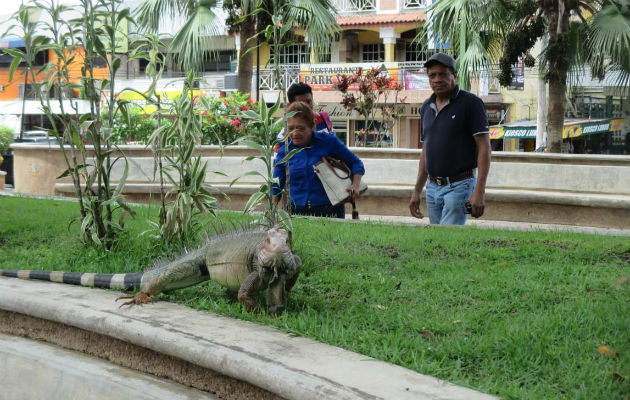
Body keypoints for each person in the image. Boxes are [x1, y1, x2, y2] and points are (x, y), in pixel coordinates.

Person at [409, 53, 491, 225]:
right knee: (440, 242)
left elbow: (484, 147)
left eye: (443, 74)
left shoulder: (471, 104)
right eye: (432, 75)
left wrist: (479, 192)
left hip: (461, 187)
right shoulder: (426, 107)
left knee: (448, 238)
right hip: (432, 188)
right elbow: (426, 151)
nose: (437, 79)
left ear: (454, 75)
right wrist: (417, 191)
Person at [273, 101, 364, 218]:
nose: (295, 133)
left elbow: (356, 163)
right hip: (296, 212)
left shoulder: (328, 142)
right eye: (290, 128)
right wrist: (273, 212)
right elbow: (276, 184)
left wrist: (355, 185)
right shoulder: (284, 150)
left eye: (301, 128)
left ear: (312, 125)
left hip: (330, 210)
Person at [273, 82, 334, 153]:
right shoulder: (283, 138)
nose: (307, 106)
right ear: (291, 106)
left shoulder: (324, 119)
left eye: (309, 101)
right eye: (301, 104)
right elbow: (279, 162)